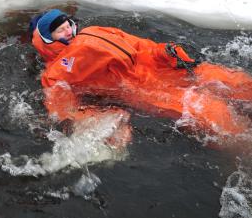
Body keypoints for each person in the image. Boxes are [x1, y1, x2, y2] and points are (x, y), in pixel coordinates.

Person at [30, 9, 252, 144]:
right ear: (48, 39)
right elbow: (61, 103)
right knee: (214, 113)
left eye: (67, 24)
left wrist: (165, 52)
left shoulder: (97, 30)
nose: (68, 30)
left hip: (159, 69)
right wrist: (94, 119)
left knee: (233, 80)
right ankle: (244, 148)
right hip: (140, 89)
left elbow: (139, 44)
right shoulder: (57, 70)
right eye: (60, 30)